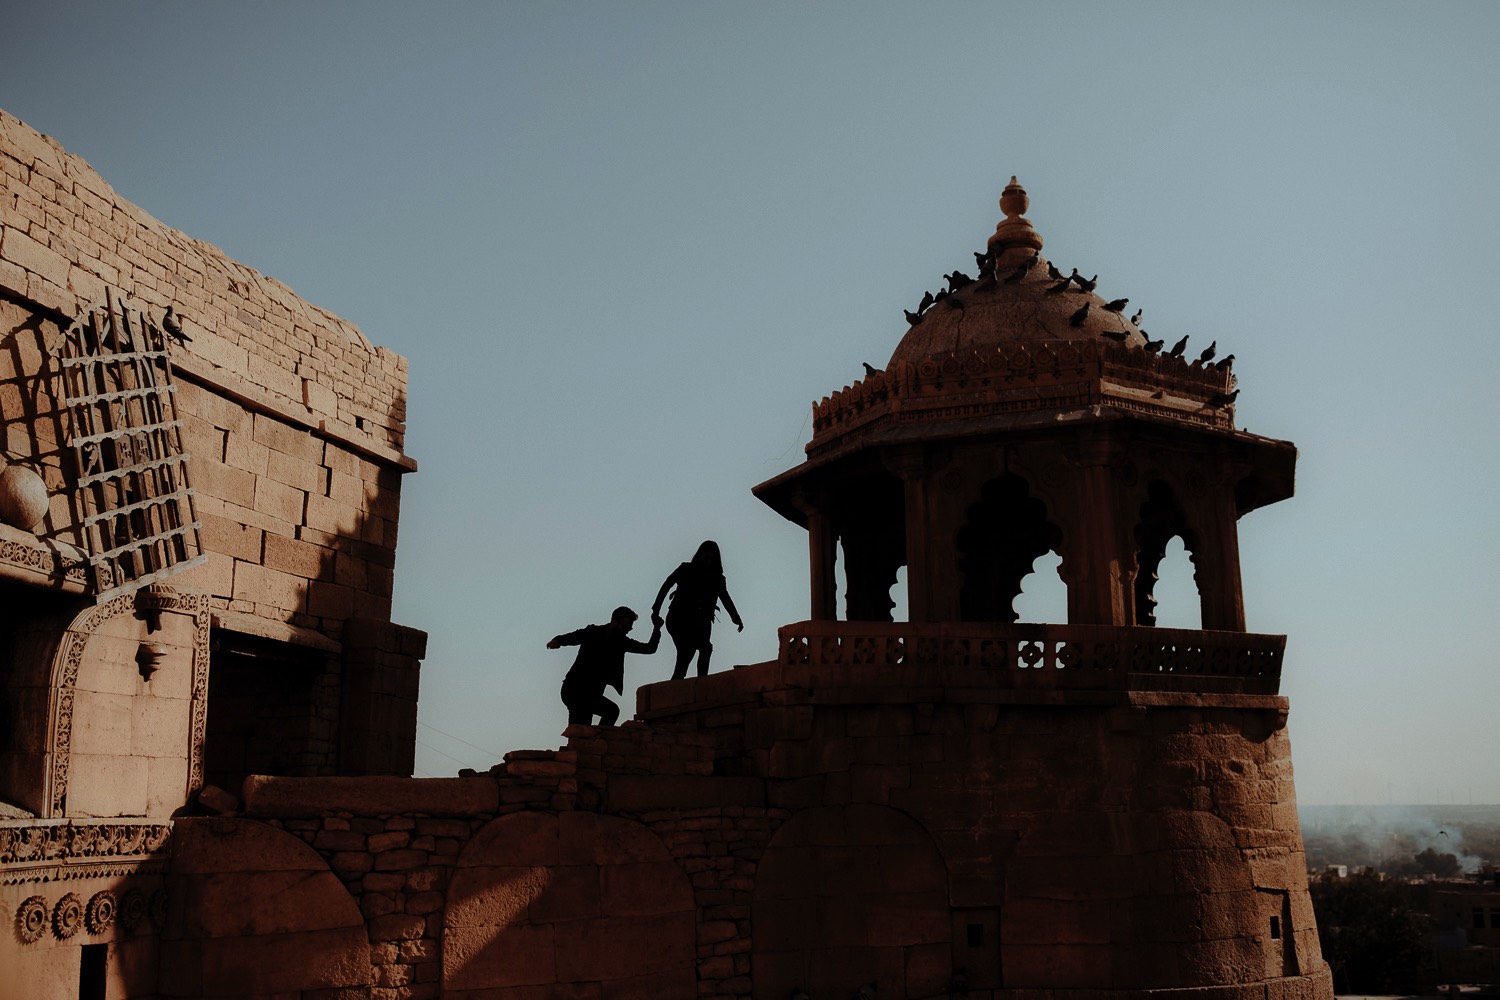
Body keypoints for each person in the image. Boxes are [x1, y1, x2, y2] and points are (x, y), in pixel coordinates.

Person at [547, 606, 662, 726]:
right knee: (590, 721)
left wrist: (657, 629)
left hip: (591, 693)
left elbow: (649, 648)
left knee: (608, 713)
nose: (627, 630)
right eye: (625, 626)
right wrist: (557, 640)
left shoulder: (621, 642)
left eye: (629, 627)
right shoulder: (593, 632)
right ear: (614, 621)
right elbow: (573, 637)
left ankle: (597, 739)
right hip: (575, 689)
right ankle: (596, 740)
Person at [652, 540, 742, 681]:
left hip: (701, 622)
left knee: (703, 649)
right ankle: (691, 686)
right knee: (687, 653)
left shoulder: (717, 579)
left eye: (712, 559)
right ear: (700, 556)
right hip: (679, 619)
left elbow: (725, 598)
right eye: (706, 557)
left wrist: (736, 618)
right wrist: (655, 610)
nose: (708, 562)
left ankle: (701, 683)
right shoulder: (685, 569)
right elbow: (666, 585)